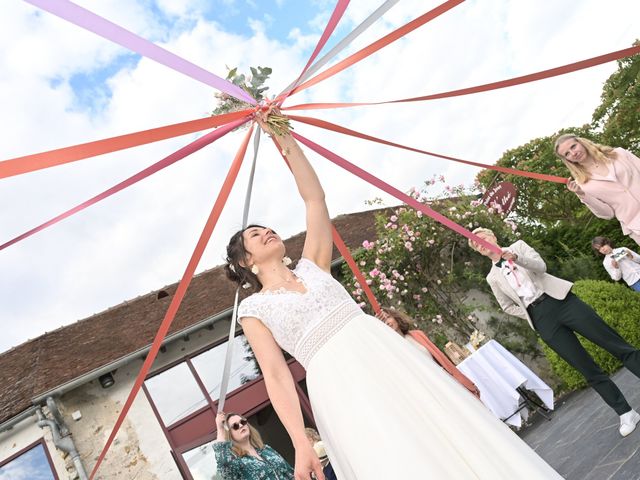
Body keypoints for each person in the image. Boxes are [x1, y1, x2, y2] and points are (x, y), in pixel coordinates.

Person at [224, 108, 563, 479]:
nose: (267, 232)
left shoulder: (312, 264)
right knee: (395, 454)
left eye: (267, 228)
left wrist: (281, 136)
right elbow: (275, 376)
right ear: (245, 260)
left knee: (442, 428)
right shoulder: (254, 309)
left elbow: (315, 201)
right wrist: (301, 443)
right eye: (255, 235)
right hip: (336, 382)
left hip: (383, 350)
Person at [469, 227, 640, 437]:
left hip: (563, 301)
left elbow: (541, 267)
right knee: (586, 368)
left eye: (480, 237)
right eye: (475, 244)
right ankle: (625, 412)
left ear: (492, 236)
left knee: (614, 344)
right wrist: (529, 314)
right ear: (478, 251)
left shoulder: (519, 246)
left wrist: (517, 258)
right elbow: (506, 306)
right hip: (541, 319)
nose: (479, 243)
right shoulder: (492, 277)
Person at [554, 134, 640, 245]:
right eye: (567, 154)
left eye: (573, 146)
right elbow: (607, 214)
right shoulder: (582, 185)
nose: (573, 153)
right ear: (567, 160)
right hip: (636, 224)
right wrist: (582, 195)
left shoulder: (618, 154)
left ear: (582, 142)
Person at [378, 306, 481, 398]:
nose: (386, 322)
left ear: (395, 317)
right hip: (430, 391)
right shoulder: (392, 349)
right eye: (382, 322)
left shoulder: (417, 335)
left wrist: (464, 381)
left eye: (388, 317)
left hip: (446, 379)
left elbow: (443, 360)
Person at [213, 412, 294, 480]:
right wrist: (220, 429)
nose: (241, 426)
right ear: (230, 434)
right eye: (235, 426)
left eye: (243, 422)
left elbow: (290, 472)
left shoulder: (266, 449)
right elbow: (224, 463)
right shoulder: (236, 463)